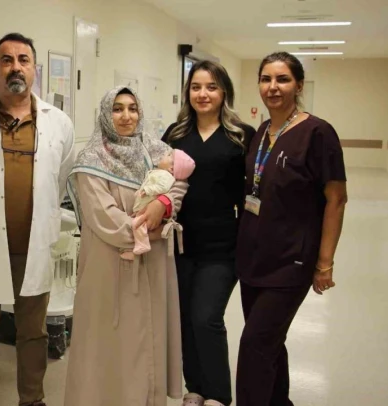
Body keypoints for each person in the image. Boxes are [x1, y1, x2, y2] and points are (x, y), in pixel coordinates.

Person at [0, 32, 75, 406]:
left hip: (33, 247)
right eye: (6, 60)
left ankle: (32, 400)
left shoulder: (59, 123)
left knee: (33, 333)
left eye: (23, 60)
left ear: (35, 68)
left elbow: (60, 178)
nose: (15, 67)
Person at [235, 51, 347, 406]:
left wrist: (324, 263)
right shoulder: (261, 132)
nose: (273, 87)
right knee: (270, 343)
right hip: (253, 259)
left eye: (282, 79)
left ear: (299, 85)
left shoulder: (318, 133)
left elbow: (336, 199)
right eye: (266, 79)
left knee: (254, 345)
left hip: (291, 261)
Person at [64, 86, 186, 405]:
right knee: (107, 345)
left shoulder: (153, 149)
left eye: (132, 108)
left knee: (144, 344)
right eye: (117, 109)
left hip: (151, 267)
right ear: (106, 114)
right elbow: (104, 217)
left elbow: (179, 182)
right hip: (108, 268)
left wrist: (164, 204)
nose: (126, 116)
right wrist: (150, 231)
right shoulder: (91, 159)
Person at [162, 60, 256, 406]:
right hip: (180, 243)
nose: (203, 94)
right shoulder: (175, 134)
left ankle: (218, 393)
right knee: (185, 318)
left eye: (211, 87)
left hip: (223, 244)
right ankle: (195, 387)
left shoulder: (241, 135)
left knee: (206, 318)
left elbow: (253, 191)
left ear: (224, 92)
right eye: (196, 87)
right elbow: (159, 181)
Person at [122, 148, 195, 260]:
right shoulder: (160, 172)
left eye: (169, 155)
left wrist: (148, 190)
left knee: (137, 226)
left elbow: (162, 187)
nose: (165, 154)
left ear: (171, 168)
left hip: (149, 208)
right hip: (144, 206)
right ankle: (135, 248)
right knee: (137, 227)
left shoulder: (166, 176)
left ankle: (139, 249)